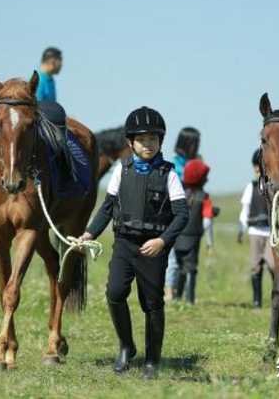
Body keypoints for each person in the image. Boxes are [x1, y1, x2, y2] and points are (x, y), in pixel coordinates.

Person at [79, 107, 189, 379]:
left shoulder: (169, 174)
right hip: (125, 244)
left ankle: (152, 360)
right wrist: (89, 233)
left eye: (153, 139)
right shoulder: (121, 169)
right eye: (142, 139)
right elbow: (107, 207)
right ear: (130, 143)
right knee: (115, 293)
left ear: (160, 141)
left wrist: (162, 241)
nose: (148, 144)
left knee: (151, 303)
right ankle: (127, 346)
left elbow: (182, 215)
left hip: (153, 247)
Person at [165, 127, 202, 299]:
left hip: (193, 215)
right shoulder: (175, 163)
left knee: (189, 258)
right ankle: (171, 291)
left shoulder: (197, 161)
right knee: (173, 257)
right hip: (175, 211)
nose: (197, 146)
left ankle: (185, 294)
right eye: (195, 143)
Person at [172, 159, 214, 304]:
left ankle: (176, 297)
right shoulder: (205, 197)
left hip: (177, 237)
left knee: (179, 267)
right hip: (194, 238)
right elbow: (207, 222)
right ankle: (190, 299)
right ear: (201, 179)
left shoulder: (179, 194)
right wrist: (210, 241)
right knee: (191, 268)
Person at [238, 149, 274, 308]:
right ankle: (257, 301)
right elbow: (245, 210)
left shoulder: (273, 187)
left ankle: (277, 297)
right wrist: (241, 228)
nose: (258, 169)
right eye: (256, 166)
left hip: (270, 232)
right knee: (255, 266)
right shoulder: (251, 187)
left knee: (273, 266)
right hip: (255, 231)